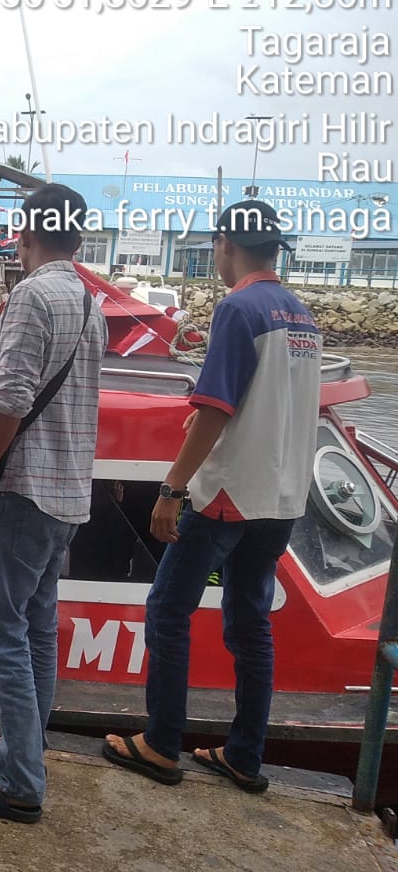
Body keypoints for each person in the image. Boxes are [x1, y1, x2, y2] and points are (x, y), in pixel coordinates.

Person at [103, 200, 321, 793]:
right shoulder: (301, 315)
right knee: (251, 625)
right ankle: (245, 755)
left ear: (226, 243)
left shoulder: (238, 308)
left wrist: (171, 489)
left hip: (228, 493)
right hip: (281, 497)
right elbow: (273, 403)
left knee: (167, 609)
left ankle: (161, 743)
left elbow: (216, 408)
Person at [0, 183, 107, 823]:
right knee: (37, 630)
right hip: (68, 495)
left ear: (25, 234)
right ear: (78, 235)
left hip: (23, 492)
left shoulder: (32, 296)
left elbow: (9, 399)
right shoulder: (89, 302)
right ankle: (24, 747)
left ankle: (19, 783)